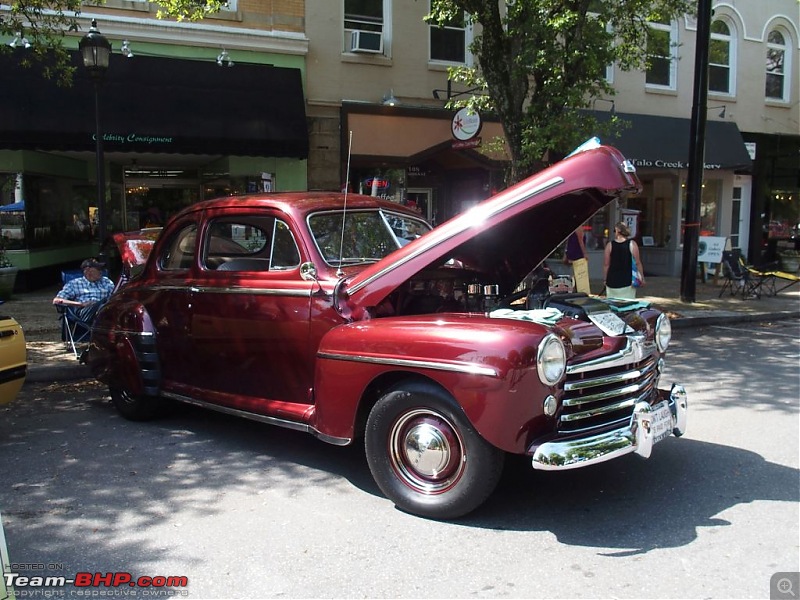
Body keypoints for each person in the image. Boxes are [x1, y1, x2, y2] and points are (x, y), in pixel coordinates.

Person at [52, 258, 115, 322]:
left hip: (105, 309)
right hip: (86, 312)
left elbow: (115, 297)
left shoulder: (106, 281)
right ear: (88, 271)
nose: (101, 271)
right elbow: (56, 301)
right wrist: (81, 304)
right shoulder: (75, 283)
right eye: (98, 269)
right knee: (103, 304)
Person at [603, 222, 645, 299]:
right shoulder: (632, 244)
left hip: (612, 281)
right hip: (627, 281)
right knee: (628, 306)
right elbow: (637, 263)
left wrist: (605, 279)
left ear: (617, 230)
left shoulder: (609, 245)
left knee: (612, 305)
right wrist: (641, 277)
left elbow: (606, 264)